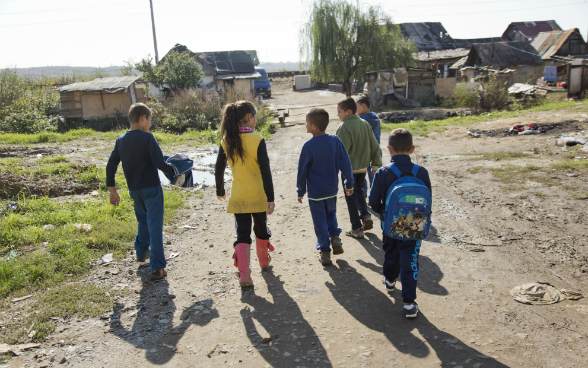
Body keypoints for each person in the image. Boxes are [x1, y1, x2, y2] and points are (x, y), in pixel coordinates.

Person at [106, 103, 175, 281]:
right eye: (150, 120)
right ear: (143, 118)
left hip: (134, 190)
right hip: (151, 189)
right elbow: (160, 163)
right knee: (155, 226)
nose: (150, 124)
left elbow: (111, 165)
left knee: (143, 221)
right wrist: (175, 171)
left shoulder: (121, 140)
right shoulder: (147, 138)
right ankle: (158, 268)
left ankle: (141, 252)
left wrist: (113, 190)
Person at [368, 128, 432, 318]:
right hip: (414, 226)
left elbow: (372, 201)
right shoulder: (421, 172)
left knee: (390, 253)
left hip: (390, 225)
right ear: (412, 149)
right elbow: (428, 201)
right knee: (410, 260)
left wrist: (384, 213)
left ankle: (389, 280)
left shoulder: (383, 172)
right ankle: (409, 303)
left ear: (389, 149)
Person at [214, 100, 275, 288]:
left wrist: (220, 190)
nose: (255, 119)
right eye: (255, 116)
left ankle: (245, 276)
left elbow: (218, 168)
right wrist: (271, 198)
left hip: (238, 197)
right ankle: (264, 263)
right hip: (257, 196)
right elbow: (265, 171)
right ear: (249, 117)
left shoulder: (227, 141)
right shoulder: (257, 139)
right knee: (261, 229)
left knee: (242, 234)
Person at [296, 108, 355, 266]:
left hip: (316, 193)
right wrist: (349, 182)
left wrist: (300, 190)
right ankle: (335, 237)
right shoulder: (335, 140)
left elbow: (302, 171)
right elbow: (345, 163)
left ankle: (325, 251)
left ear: (314, 126)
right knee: (331, 213)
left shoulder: (308, 146)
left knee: (319, 220)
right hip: (331, 189)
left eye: (307, 123)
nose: (305, 125)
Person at [335, 97, 382, 239]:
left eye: (339, 112)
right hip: (362, 168)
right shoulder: (365, 124)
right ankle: (365, 216)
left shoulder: (344, 127)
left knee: (351, 198)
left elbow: (340, 152)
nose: (338, 115)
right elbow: (375, 146)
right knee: (360, 192)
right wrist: (375, 165)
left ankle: (356, 228)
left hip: (349, 171)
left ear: (348, 112)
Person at [355, 96, 382, 191]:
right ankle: (374, 197)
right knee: (375, 176)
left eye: (356, 106)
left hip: (363, 151)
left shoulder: (359, 120)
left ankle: (363, 195)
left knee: (360, 175)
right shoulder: (376, 118)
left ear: (363, 105)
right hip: (376, 150)